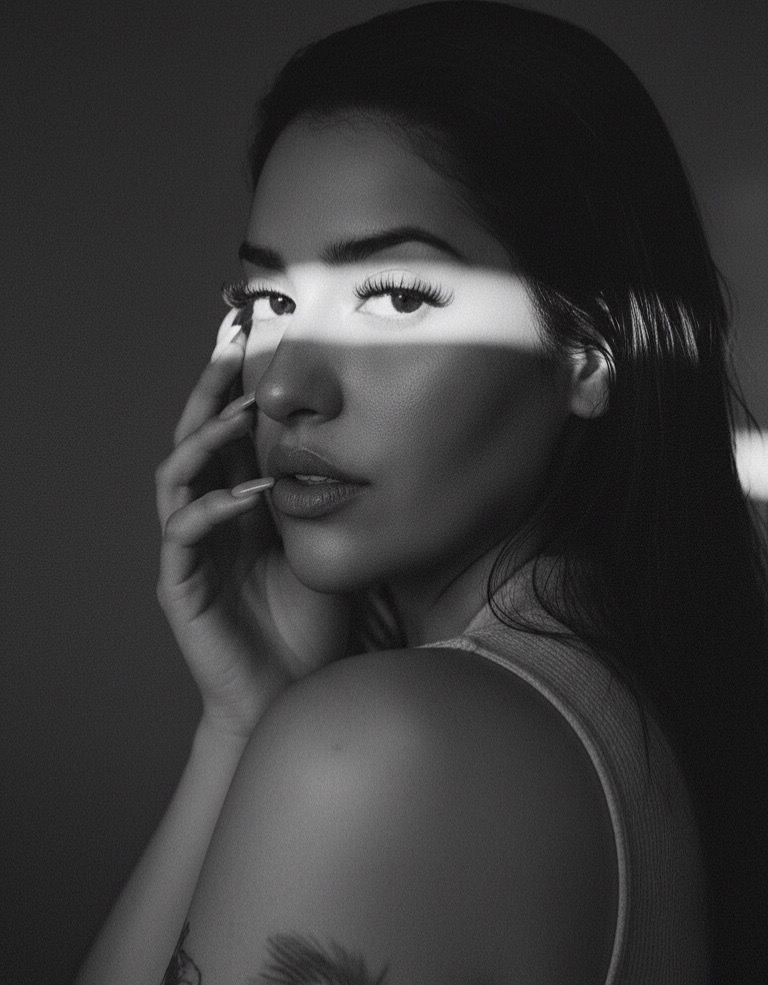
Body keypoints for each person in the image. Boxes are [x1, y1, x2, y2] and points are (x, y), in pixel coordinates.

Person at [75, 3, 768, 983]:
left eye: (395, 297)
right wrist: (241, 717)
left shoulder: (391, 745)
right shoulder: (631, 712)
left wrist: (265, 734)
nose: (284, 386)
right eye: (270, 301)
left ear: (589, 350)